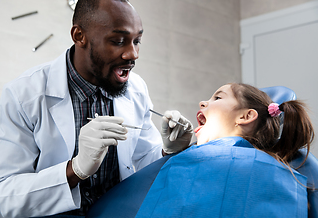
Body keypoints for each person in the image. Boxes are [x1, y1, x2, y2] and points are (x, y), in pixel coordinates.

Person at [0, 0, 193, 217]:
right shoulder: (23, 94)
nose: (133, 54)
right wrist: (76, 169)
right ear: (79, 36)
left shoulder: (136, 89)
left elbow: (142, 159)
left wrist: (168, 151)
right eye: (118, 40)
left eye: (137, 41)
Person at [85, 83, 316, 217]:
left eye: (217, 97)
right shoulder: (282, 169)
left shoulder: (200, 161)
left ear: (246, 116)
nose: (202, 103)